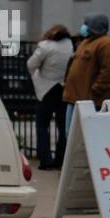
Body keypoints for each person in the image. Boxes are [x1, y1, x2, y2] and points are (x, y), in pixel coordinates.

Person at [61, 13, 110, 138]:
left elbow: (109, 71)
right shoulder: (86, 42)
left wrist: (95, 90)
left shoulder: (106, 44)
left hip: (91, 100)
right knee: (71, 137)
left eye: (86, 24)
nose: (83, 27)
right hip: (75, 98)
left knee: (89, 137)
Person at [26, 25, 73, 169]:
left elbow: (31, 64)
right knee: (63, 126)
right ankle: (61, 160)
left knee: (42, 125)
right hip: (63, 88)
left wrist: (36, 76)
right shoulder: (70, 45)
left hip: (46, 89)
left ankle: (46, 160)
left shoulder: (46, 46)